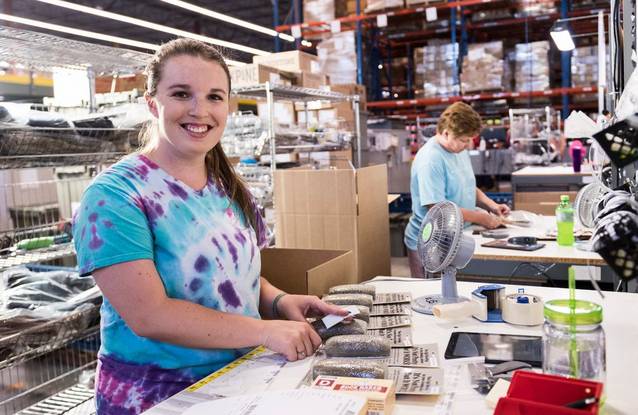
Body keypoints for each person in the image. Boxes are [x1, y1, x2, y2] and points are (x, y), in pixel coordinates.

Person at [72, 38, 347, 414]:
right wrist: (266, 331)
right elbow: (149, 315)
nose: (200, 110)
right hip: (157, 397)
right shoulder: (115, 196)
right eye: (182, 94)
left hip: (239, 380)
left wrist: (279, 301)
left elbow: (238, 276)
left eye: (215, 97)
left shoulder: (229, 188)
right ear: (153, 103)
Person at [403, 102, 510, 278]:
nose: (467, 145)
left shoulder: (458, 150)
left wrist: (491, 205)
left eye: (469, 140)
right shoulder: (431, 159)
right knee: (432, 297)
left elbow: (466, 184)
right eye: (464, 140)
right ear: (446, 133)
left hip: (457, 236)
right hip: (432, 242)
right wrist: (481, 218)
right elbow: (438, 209)